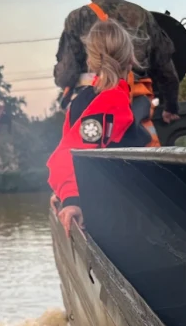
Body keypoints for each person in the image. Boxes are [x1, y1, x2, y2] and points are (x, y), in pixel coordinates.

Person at [54, 0, 181, 144]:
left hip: (91, 113)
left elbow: (67, 75)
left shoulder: (77, 18)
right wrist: (170, 107)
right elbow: (166, 70)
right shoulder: (142, 16)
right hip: (135, 108)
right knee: (144, 159)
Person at [48, 19, 153, 234]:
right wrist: (71, 199)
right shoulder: (112, 100)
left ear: (92, 61)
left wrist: (63, 193)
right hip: (117, 220)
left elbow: (68, 151)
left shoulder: (81, 101)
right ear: (131, 58)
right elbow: (69, 156)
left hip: (111, 214)